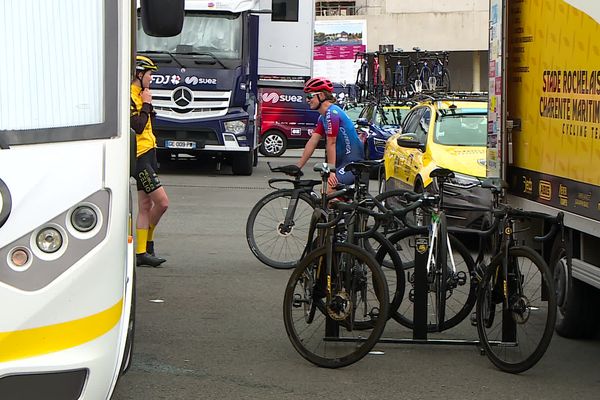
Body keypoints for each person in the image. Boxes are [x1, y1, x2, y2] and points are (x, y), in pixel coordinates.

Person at [131, 55, 169, 267]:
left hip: (149, 152)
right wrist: (146, 104)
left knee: (145, 205)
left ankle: (142, 252)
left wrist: (147, 103)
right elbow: (136, 125)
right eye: (150, 74)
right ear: (139, 74)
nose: (152, 78)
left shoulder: (141, 94)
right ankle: (148, 243)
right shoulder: (130, 96)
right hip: (139, 157)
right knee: (162, 203)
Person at [296, 77, 364, 189]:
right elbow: (312, 141)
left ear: (321, 95)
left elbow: (331, 143)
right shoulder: (323, 117)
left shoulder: (332, 114)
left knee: (329, 190)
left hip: (352, 164)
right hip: (341, 164)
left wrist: (332, 171)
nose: (307, 100)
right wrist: (299, 166)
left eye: (310, 96)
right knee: (326, 194)